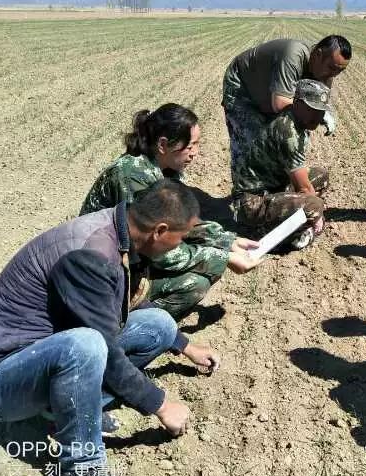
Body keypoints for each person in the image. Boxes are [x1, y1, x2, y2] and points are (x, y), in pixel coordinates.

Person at [0, 180, 221, 476]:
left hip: (39, 357)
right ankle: (80, 471)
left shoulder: (122, 234)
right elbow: (105, 348)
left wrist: (185, 345)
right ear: (159, 230)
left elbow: (131, 302)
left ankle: (69, 413)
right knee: (86, 345)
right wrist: (160, 404)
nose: (177, 248)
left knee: (158, 325)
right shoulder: (93, 254)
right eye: (178, 240)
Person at [80, 103, 262, 320]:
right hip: (104, 274)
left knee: (209, 265)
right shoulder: (133, 177)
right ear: (164, 145)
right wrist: (223, 257)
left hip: (133, 259)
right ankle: (123, 323)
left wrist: (226, 240)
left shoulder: (166, 169)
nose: (195, 153)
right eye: (190, 146)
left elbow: (182, 220)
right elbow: (156, 251)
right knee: (196, 283)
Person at [221, 35, 351, 179]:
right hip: (243, 85)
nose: (334, 75)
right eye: (332, 68)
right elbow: (280, 103)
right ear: (318, 55)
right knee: (250, 141)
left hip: (268, 91)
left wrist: (320, 114)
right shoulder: (293, 54)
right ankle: (244, 195)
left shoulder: (327, 73)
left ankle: (275, 186)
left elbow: (312, 113)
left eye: (340, 71)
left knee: (288, 133)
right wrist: (314, 112)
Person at [230, 79, 332, 250]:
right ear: (297, 103)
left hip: (273, 187)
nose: (318, 116)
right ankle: (264, 234)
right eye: (313, 110)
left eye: (321, 111)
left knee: (320, 175)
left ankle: (292, 224)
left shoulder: (295, 118)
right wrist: (317, 216)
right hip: (252, 202)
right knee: (314, 204)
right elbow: (304, 189)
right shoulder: (288, 132)